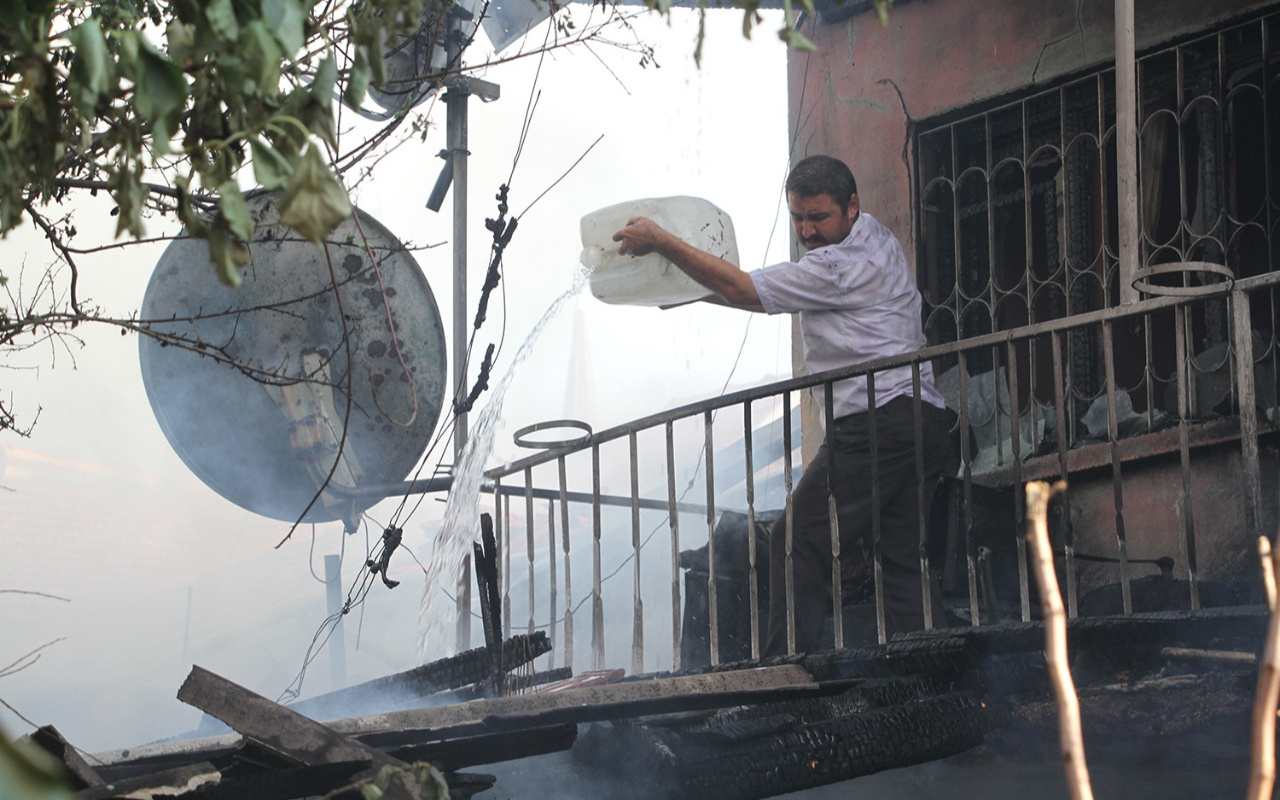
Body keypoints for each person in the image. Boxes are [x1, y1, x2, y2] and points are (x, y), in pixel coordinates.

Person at [612, 154, 951, 655]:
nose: (807, 231)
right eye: (798, 218)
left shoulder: (839, 266)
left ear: (851, 206)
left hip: (880, 421)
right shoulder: (872, 235)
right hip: (920, 418)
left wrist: (664, 243)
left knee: (794, 540)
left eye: (819, 218)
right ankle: (934, 668)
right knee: (900, 559)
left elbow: (744, 288)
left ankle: (788, 669)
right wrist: (689, 291)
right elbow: (751, 291)